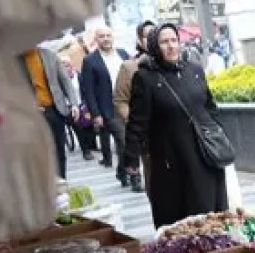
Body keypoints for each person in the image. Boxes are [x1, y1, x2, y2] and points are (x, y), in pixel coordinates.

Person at [123, 23, 228, 228]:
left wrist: (218, 134)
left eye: (174, 40)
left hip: (206, 153)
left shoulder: (194, 70)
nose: (171, 46)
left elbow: (210, 106)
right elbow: (138, 122)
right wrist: (131, 157)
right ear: (154, 46)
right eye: (164, 42)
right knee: (184, 217)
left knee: (212, 212)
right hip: (172, 158)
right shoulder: (145, 78)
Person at [19, 45, 80, 179]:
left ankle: (61, 184)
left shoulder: (49, 55)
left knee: (59, 151)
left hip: (55, 109)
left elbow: (65, 80)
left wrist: (74, 104)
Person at [80, 26, 130, 174]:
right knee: (124, 140)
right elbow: (88, 90)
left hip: (128, 104)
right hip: (109, 109)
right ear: (96, 40)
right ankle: (135, 178)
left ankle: (122, 171)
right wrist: (95, 114)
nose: (106, 39)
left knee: (127, 144)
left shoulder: (123, 54)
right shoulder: (90, 61)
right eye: (102, 36)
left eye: (108, 35)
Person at [115, 20, 157, 193]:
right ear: (140, 40)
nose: (153, 39)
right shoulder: (130, 67)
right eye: (148, 36)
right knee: (156, 184)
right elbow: (120, 100)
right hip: (149, 136)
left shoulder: (176, 63)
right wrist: (135, 123)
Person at [59, 54, 97, 160]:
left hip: (82, 104)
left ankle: (92, 145)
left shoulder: (79, 76)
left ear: (72, 66)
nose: (64, 68)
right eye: (61, 66)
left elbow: (87, 90)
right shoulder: (57, 80)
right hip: (68, 107)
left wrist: (86, 103)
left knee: (90, 123)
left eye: (66, 65)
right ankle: (86, 151)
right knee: (78, 127)